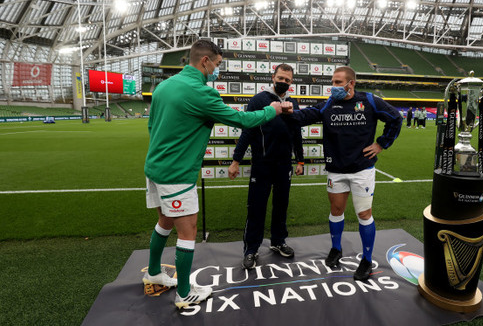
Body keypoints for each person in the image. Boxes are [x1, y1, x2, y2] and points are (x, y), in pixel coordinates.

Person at [143, 39, 290, 309]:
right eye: (218, 65)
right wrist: (274, 109)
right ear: (205, 61)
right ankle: (185, 293)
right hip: (177, 173)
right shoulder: (201, 93)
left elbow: (152, 125)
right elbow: (243, 121)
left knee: (164, 222)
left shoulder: (163, 86)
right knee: (188, 231)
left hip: (154, 168)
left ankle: (154, 272)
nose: (217, 71)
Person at [285, 66, 402, 282]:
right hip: (336, 170)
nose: (334, 86)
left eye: (338, 82)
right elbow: (303, 116)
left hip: (361, 170)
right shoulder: (330, 103)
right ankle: (336, 249)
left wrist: (381, 144)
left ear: (351, 83)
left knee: (364, 215)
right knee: (336, 210)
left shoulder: (369, 101)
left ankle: (366, 260)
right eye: (333, 82)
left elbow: (395, 118)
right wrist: (286, 110)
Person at [228, 64, 305, 270]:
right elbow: (247, 131)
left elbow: (296, 133)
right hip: (262, 164)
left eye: (287, 80)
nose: (283, 82)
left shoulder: (293, 102)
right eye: (281, 78)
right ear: (273, 77)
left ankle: (278, 241)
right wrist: (236, 160)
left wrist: (300, 159)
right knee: (256, 208)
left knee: (281, 206)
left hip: (284, 166)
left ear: (291, 82)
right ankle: (251, 249)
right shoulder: (258, 100)